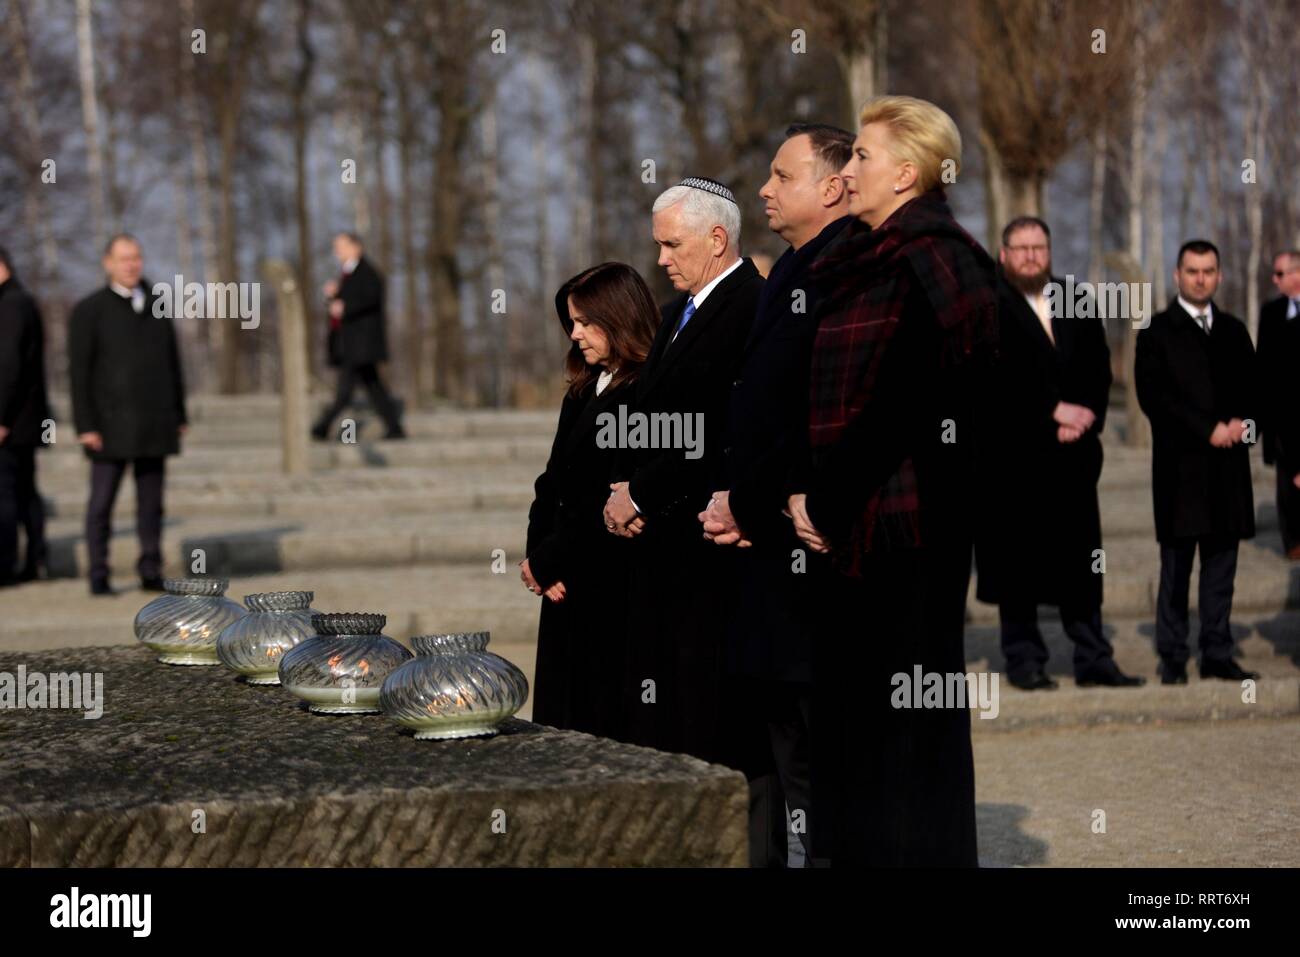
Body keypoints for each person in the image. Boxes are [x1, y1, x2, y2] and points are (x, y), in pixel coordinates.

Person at [787, 95, 997, 867]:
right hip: (853, 528)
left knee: (910, 732)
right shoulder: (862, 255)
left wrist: (826, 499)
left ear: (907, 173)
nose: (851, 169)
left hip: (911, 532)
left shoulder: (937, 255)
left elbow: (902, 402)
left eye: (864, 157)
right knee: (857, 725)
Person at [698, 123, 854, 866]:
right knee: (781, 743)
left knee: (817, 751)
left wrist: (750, 504)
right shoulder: (794, 264)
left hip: (805, 547)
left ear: (830, 186)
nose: (763, 189)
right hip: (763, 544)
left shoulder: (842, 267)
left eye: (781, 175)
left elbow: (817, 412)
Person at [602, 176, 770, 854]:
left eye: (672, 244)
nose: (662, 259)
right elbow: (653, 417)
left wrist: (638, 493)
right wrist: (623, 481)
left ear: (717, 238)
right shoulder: (678, 313)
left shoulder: (749, 307)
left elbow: (705, 424)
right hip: (663, 546)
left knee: (712, 717)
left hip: (709, 547)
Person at [975, 216, 1145, 689]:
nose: (1032, 256)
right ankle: (1025, 660)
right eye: (1022, 248)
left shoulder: (1074, 298)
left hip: (1072, 461)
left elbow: (1098, 366)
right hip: (1014, 461)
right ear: (1004, 253)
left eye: (1039, 247)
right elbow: (990, 377)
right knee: (1018, 567)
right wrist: (1052, 410)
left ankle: (1093, 658)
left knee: (1081, 565)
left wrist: (1087, 413)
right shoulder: (987, 304)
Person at [523, 262, 659, 741]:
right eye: (571, 323)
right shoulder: (582, 391)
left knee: (600, 722)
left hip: (605, 581)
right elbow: (552, 482)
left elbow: (610, 494)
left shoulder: (644, 390)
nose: (575, 334)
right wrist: (538, 552)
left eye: (585, 322)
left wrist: (552, 558)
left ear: (618, 317)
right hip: (563, 579)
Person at [1135, 240, 1260, 684]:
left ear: (1220, 275)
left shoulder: (1234, 330)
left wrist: (1244, 427)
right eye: (1192, 271)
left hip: (1228, 473)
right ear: (1177, 275)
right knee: (1177, 569)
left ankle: (1217, 654)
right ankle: (1173, 656)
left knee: (1222, 569)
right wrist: (1208, 428)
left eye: (1208, 270)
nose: (1201, 278)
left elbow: (1256, 395)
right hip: (1180, 474)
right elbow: (1155, 399)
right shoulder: (1156, 333)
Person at [68, 234, 188, 596]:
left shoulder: (158, 304)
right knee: (101, 504)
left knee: (152, 503)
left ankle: (150, 568)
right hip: (107, 425)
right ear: (108, 263)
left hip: (155, 421)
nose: (131, 265)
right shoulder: (89, 310)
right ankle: (99, 573)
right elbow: (79, 372)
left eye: (135, 257)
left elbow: (172, 364)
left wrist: (178, 413)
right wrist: (85, 424)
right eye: (123, 259)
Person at [312, 232, 405, 440]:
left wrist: (344, 306)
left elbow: (369, 299)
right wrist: (333, 297)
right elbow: (341, 306)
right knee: (374, 386)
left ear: (356, 247)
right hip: (352, 343)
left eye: (341, 246)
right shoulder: (346, 275)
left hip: (360, 344)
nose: (337, 251)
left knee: (346, 389)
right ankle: (395, 428)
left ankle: (322, 427)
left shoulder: (367, 273)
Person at [0, 246, 51, 586]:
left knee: (5, 496)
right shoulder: (20, 301)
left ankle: (6, 566)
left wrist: (1, 417)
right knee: (24, 493)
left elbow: (9, 366)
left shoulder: (10, 305)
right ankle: (35, 560)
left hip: (11, 420)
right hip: (24, 420)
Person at [1257, 249, 1300, 560]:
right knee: (1288, 480)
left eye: (1280, 273)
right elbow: (1262, 367)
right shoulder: (1271, 313)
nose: (1274, 279)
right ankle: (1294, 543)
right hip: (1283, 416)